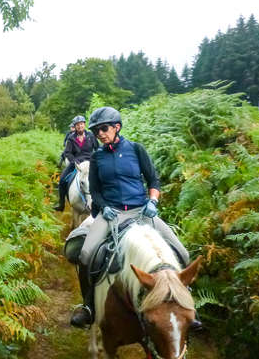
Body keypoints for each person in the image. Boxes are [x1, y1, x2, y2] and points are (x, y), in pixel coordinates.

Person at [70, 106, 190, 328]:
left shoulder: (136, 149)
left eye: (103, 129)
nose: (100, 134)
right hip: (111, 214)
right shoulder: (97, 158)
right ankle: (88, 306)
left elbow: (153, 181)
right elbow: (95, 191)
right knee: (86, 254)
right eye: (96, 131)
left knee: (182, 253)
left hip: (141, 211)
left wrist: (152, 201)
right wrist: (103, 207)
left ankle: (188, 305)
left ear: (117, 127)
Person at [54, 115, 98, 212]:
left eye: (81, 124)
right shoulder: (71, 138)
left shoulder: (91, 136)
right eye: (77, 125)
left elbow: (97, 149)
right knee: (62, 180)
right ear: (75, 126)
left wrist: (95, 159)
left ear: (84, 124)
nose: (80, 126)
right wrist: (74, 161)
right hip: (76, 163)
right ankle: (61, 204)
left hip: (89, 163)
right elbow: (67, 152)